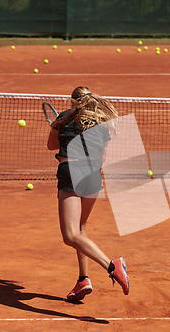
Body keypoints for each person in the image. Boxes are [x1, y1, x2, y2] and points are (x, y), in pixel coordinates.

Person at [47, 86, 129, 300]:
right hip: (93, 176)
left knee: (70, 236)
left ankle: (112, 266)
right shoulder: (100, 122)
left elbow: (50, 146)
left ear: (72, 102)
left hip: (71, 173)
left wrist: (57, 128)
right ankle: (83, 279)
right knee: (81, 229)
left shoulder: (63, 118)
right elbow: (101, 157)